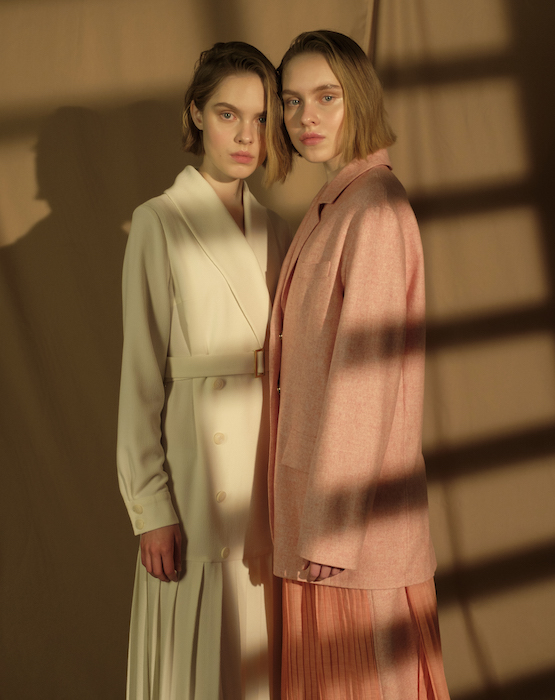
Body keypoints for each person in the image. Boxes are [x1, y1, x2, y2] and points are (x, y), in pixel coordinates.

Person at [267, 31, 450, 699]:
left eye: (326, 97)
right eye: (291, 101)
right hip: (317, 517)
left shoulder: (373, 209)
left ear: (359, 100)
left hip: (350, 535)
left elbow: (366, 384)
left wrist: (333, 531)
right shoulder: (338, 204)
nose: (305, 118)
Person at [117, 41, 292, 700]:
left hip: (265, 474)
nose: (247, 136)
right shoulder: (158, 222)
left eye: (261, 118)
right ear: (196, 114)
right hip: (195, 481)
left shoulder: (277, 229)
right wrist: (150, 507)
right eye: (228, 114)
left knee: (255, 655)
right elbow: (140, 378)